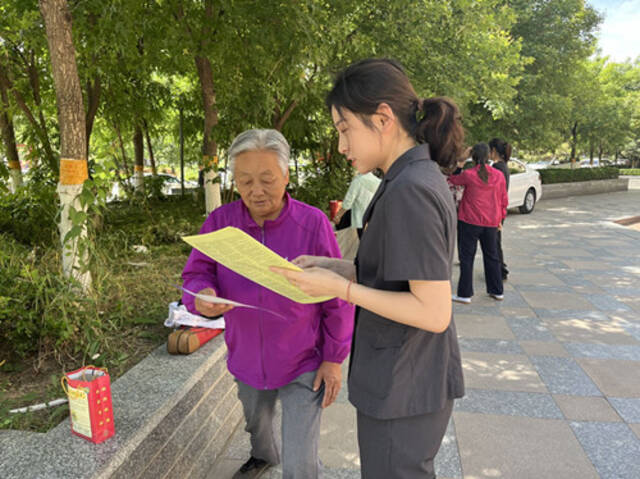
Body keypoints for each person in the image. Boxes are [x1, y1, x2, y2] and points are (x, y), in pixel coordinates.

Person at [272, 58, 465, 479]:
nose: (341, 145)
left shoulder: (410, 190)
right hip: (405, 377)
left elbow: (433, 312)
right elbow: (392, 275)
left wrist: (339, 289)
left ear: (382, 118)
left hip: (405, 384)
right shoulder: (405, 179)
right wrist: (334, 268)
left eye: (344, 129)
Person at [181, 129, 354, 479]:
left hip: (303, 359)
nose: (255, 191)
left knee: (301, 462)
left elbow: (337, 296)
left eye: (267, 179)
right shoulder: (221, 223)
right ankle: (262, 456)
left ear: (286, 175)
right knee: (257, 426)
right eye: (245, 181)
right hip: (245, 355)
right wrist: (203, 298)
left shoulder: (312, 223)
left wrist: (333, 359)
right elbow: (196, 275)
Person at [448, 143, 508, 304]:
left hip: (469, 221)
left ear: (472, 157)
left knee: (467, 258)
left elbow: (452, 180)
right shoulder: (498, 175)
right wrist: (501, 219)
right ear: (489, 156)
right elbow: (504, 199)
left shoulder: (469, 175)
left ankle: (465, 294)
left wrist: (460, 163)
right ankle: (497, 291)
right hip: (491, 222)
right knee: (492, 256)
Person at [488, 138, 512, 280]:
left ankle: (500, 270)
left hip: (495, 210)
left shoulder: (498, 168)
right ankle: (499, 269)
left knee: (494, 242)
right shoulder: (503, 166)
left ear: (494, 151)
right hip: (499, 210)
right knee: (495, 241)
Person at [332, 171, 381, 238]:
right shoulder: (378, 182)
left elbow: (348, 202)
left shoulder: (358, 181)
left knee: (364, 244)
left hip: (361, 219)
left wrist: (338, 216)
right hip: (374, 219)